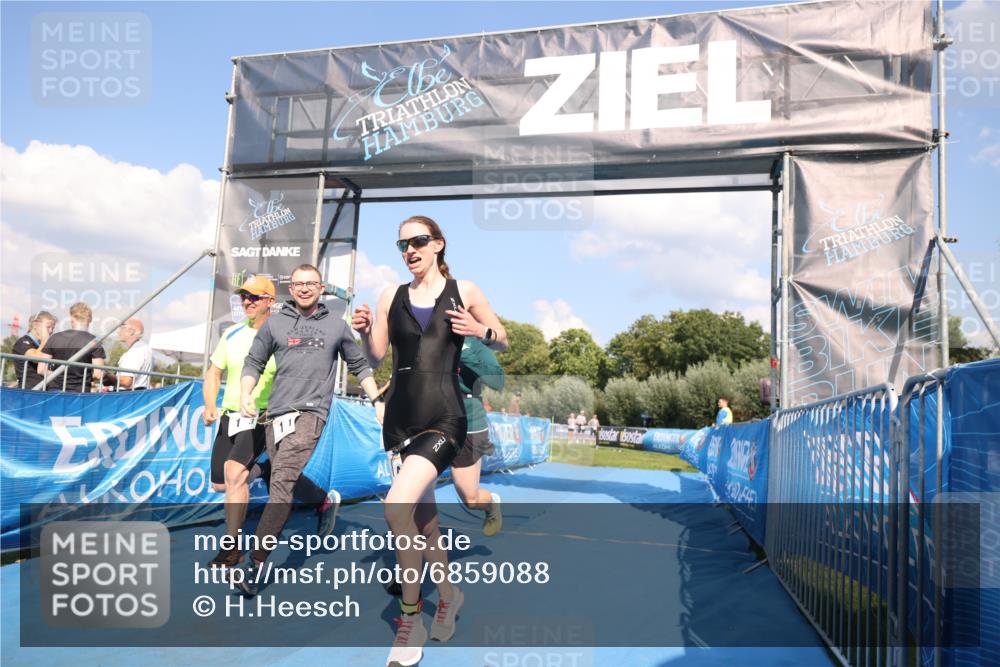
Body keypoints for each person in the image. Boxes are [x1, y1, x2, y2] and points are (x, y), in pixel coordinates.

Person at [352, 215, 507, 666]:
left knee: (395, 506)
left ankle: (409, 618)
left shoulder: (466, 291)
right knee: (425, 524)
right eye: (402, 244)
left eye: (418, 241)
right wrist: (364, 331)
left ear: (438, 244)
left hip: (445, 416)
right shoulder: (389, 296)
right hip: (401, 420)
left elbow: (503, 339)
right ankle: (450, 595)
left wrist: (480, 331)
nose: (409, 250)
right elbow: (376, 356)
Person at [236, 264, 382, 595]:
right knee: (281, 474)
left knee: (282, 483)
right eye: (299, 284)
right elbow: (253, 361)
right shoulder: (275, 323)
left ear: (321, 288)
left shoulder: (336, 325)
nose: (304, 289)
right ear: (291, 287)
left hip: (312, 413)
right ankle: (323, 501)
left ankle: (256, 563)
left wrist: (377, 400)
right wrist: (246, 392)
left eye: (311, 284)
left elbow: (359, 364)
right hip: (276, 414)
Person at [202, 276, 280, 568]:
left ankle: (231, 547)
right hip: (229, 415)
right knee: (221, 485)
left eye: (255, 297)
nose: (247, 301)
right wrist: (210, 404)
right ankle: (266, 469)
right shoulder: (232, 333)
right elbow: (213, 372)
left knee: (235, 475)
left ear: (269, 302)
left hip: (259, 416)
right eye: (243, 296)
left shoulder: (279, 336)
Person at [40, 302, 107, 392]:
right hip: (80, 392)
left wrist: (58, 376)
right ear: (90, 319)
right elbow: (98, 373)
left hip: (55, 391)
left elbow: (41, 369)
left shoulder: (55, 338)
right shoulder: (94, 342)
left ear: (71, 318)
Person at [10, 310, 55, 389]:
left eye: (52, 328)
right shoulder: (23, 342)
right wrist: (45, 340)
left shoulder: (43, 344)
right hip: (29, 392)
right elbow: (36, 358)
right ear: (35, 325)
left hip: (45, 392)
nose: (51, 331)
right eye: (48, 327)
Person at [105, 318, 154, 389]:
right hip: (137, 394)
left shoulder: (136, 350)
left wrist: (106, 377)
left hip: (128, 396)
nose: (118, 332)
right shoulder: (142, 348)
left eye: (122, 328)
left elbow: (126, 381)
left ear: (131, 331)